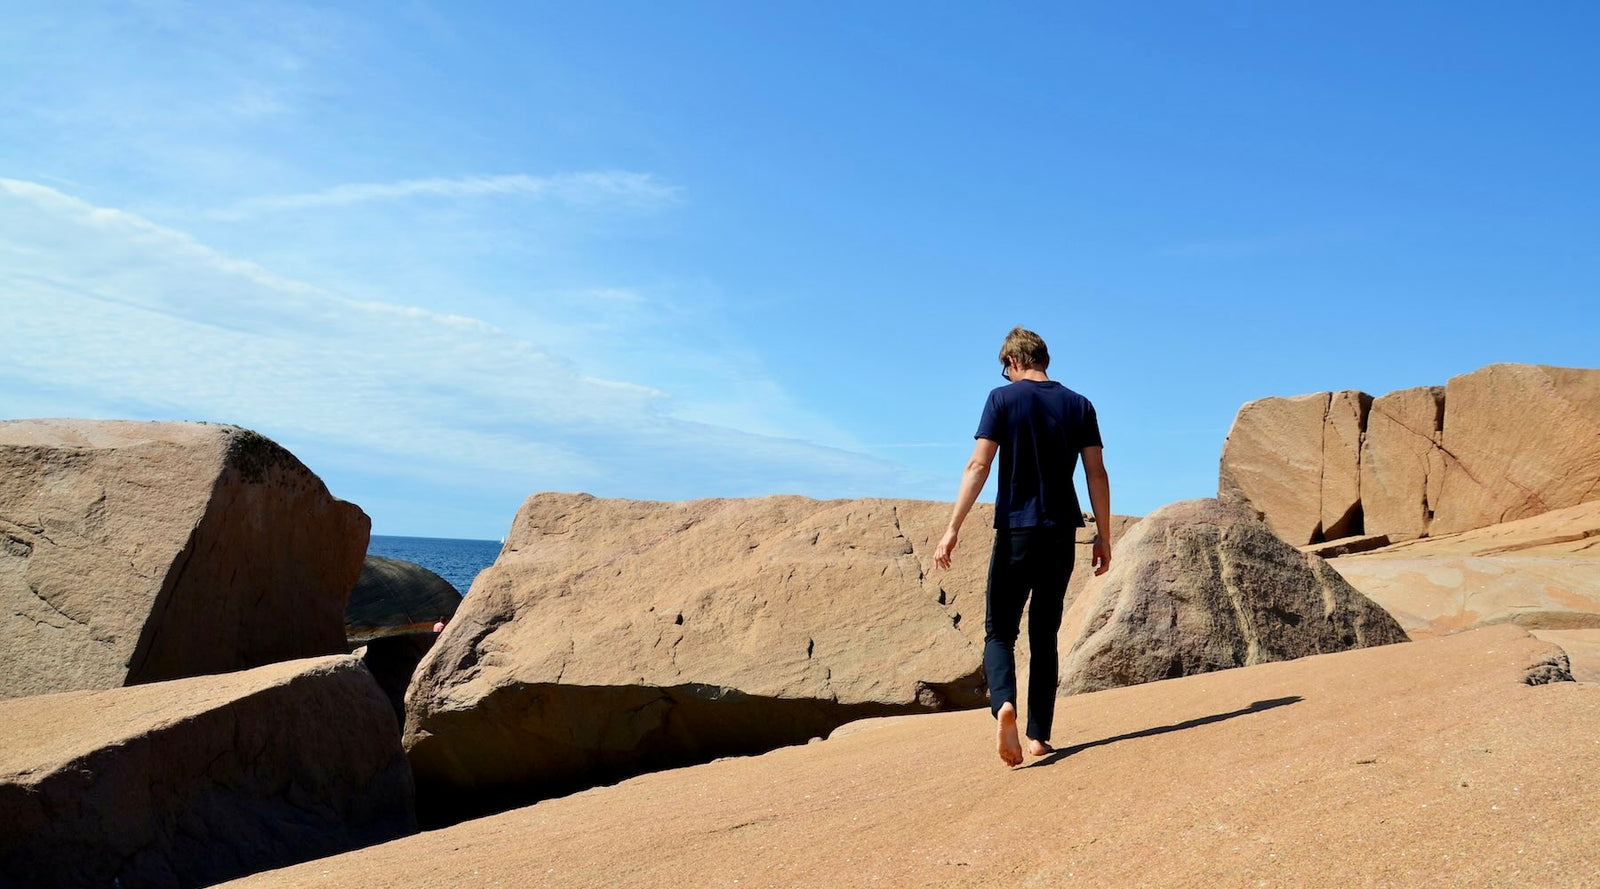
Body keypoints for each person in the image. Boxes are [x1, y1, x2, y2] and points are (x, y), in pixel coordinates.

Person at [933, 326, 1112, 767]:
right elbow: (1096, 474)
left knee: (1000, 631)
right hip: (1059, 534)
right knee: (1044, 634)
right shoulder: (1079, 404)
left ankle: (1005, 705)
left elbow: (979, 463)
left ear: (1013, 362)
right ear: (1042, 358)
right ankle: (1038, 736)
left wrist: (952, 527)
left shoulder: (1001, 399)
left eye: (1004, 368)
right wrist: (1103, 536)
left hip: (1015, 531)